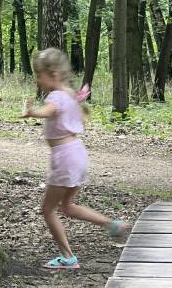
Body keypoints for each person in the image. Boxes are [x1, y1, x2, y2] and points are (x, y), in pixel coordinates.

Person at [21, 47, 129, 269]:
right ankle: (111, 224)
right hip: (77, 153)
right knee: (67, 206)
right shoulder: (70, 94)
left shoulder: (56, 96)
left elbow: (49, 110)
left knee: (48, 209)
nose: (38, 80)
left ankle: (68, 257)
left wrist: (32, 113)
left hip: (64, 157)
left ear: (53, 74)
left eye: (39, 75)